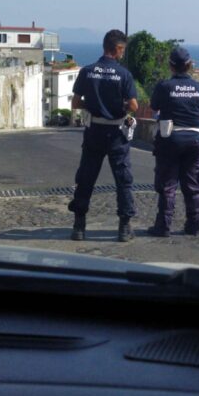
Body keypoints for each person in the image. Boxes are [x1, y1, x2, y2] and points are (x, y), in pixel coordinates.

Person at [67, 30, 139, 242]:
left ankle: (79, 226)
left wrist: (93, 104)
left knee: (86, 178)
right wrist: (121, 105)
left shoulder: (87, 71)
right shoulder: (124, 75)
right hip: (117, 133)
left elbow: (75, 103)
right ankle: (124, 228)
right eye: (123, 49)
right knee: (123, 180)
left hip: (94, 131)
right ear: (117, 49)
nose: (123, 53)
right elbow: (134, 105)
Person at [147, 47, 199, 237]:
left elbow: (154, 106)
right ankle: (194, 225)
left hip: (171, 138)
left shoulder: (164, 86)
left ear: (171, 66)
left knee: (168, 184)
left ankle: (163, 226)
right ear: (189, 65)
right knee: (192, 183)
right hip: (196, 139)